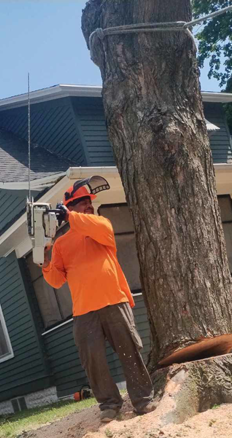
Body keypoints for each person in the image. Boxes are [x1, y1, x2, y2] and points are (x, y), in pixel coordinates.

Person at [42, 179, 156, 423]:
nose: (89, 207)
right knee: (94, 361)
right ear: (71, 208)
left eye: (89, 204)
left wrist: (72, 217)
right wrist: (43, 259)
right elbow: (55, 280)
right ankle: (109, 404)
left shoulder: (101, 225)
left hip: (114, 300)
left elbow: (90, 225)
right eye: (83, 204)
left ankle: (143, 400)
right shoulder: (61, 243)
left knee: (130, 353)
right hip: (84, 311)